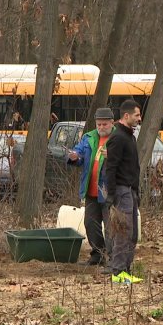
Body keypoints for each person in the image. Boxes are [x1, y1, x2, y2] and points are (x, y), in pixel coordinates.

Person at [67, 107, 115, 266]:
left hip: (110, 192)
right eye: (99, 124)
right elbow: (79, 154)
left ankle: (113, 259)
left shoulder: (118, 138)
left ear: (112, 122)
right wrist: (74, 156)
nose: (101, 127)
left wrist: (113, 155)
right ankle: (97, 255)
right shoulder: (89, 137)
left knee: (111, 227)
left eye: (104, 124)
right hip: (91, 190)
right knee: (90, 223)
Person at [103, 99, 142, 281]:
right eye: (137, 115)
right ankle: (118, 272)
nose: (139, 118)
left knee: (132, 233)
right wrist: (111, 194)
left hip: (130, 190)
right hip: (121, 190)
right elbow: (111, 167)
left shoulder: (129, 136)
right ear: (126, 116)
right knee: (123, 232)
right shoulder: (118, 137)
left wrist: (137, 191)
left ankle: (126, 270)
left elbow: (132, 167)